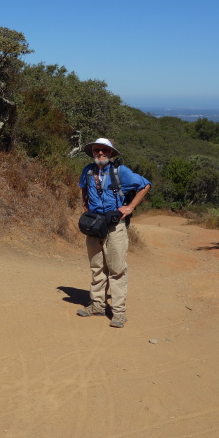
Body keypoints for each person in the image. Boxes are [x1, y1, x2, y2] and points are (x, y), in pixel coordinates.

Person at [77, 138, 151, 328]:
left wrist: (130, 207)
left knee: (117, 269)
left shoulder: (121, 172)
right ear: (93, 152)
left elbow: (145, 185)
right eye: (96, 150)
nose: (100, 154)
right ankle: (97, 305)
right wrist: (85, 206)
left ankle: (119, 313)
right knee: (97, 267)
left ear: (111, 153)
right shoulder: (87, 170)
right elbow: (83, 190)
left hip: (114, 226)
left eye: (104, 151)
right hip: (94, 224)